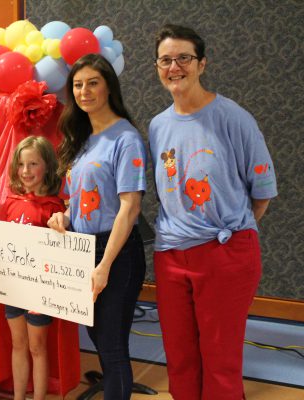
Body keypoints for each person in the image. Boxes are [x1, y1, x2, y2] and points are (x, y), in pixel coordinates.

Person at [149, 24, 277, 399]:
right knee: (180, 357)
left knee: (220, 359)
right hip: (170, 255)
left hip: (225, 253)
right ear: (158, 67)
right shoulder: (158, 125)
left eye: (184, 58)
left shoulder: (233, 118)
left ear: (202, 64)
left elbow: (262, 196)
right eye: (166, 60)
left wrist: (229, 235)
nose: (175, 67)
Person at [48, 53, 147, 400]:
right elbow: (79, 197)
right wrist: (64, 216)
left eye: (93, 83)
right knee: (97, 336)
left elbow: (130, 206)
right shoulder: (83, 137)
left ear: (109, 88)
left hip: (115, 253)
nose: (84, 91)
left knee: (112, 344)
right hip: (83, 248)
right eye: (77, 85)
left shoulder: (126, 138)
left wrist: (105, 266)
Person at [0, 136, 72, 400]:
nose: (26, 171)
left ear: (47, 167)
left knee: (37, 347)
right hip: (14, 289)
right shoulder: (11, 202)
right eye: (21, 164)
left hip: (40, 292)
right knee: (18, 344)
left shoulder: (53, 208)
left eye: (33, 164)